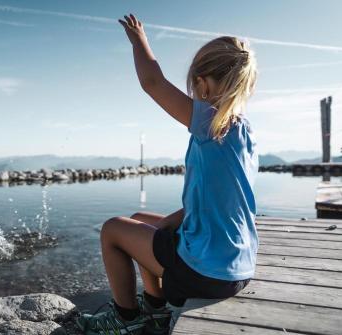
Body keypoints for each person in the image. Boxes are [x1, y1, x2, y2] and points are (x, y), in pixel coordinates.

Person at [76, 13, 259, 335]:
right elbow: (220, 202)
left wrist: (139, 40)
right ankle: (155, 306)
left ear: (202, 83)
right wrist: (167, 223)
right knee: (140, 218)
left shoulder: (212, 124)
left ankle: (125, 318)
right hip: (236, 267)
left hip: (208, 272)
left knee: (113, 230)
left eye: (194, 88)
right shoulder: (244, 136)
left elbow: (153, 83)